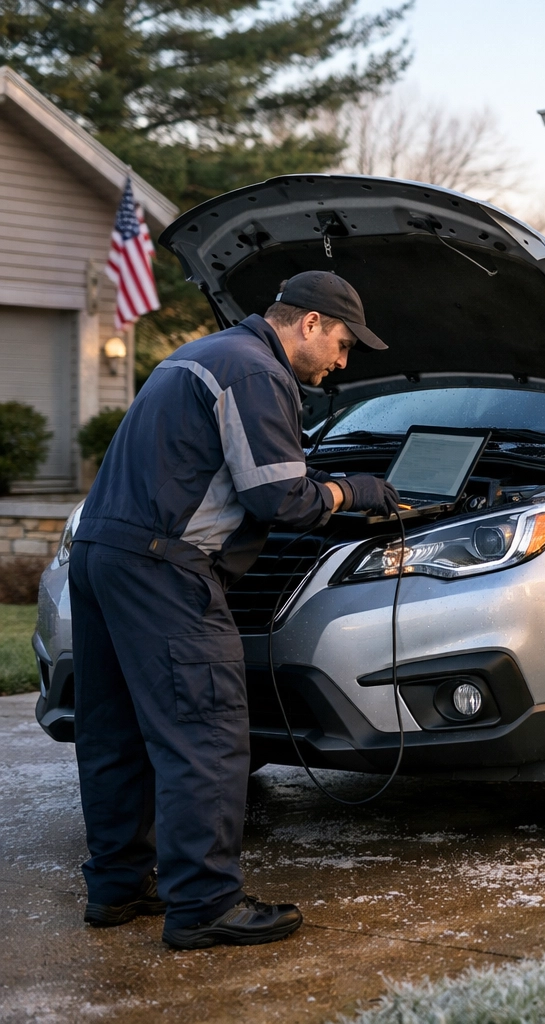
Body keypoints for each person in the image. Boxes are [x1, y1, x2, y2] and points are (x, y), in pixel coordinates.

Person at [69, 271, 402, 949]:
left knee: (118, 734)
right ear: (309, 323)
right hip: (164, 568)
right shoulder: (256, 373)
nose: (342, 361)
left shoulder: (203, 354)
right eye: (342, 343)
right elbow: (280, 500)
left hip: (101, 553)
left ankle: (118, 886)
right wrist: (360, 490)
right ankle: (205, 906)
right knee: (208, 735)